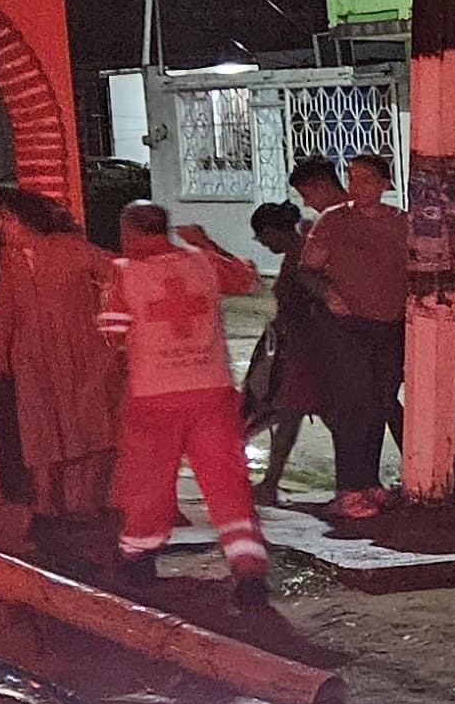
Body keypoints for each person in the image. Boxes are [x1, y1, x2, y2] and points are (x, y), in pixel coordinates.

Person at [100, 202, 272, 606]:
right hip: (212, 392)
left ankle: (139, 560)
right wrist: (207, 243)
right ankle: (249, 570)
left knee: (151, 482)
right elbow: (247, 280)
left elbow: (112, 332)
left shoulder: (123, 271)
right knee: (228, 484)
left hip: (154, 397)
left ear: (128, 232)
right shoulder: (203, 262)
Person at [0, 188, 122, 564]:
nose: (1, 227)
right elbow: (4, 313)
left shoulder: (71, 248)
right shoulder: (15, 262)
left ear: (23, 220)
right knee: (40, 427)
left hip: (80, 353)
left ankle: (87, 502)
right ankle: (46, 503)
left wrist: (113, 323)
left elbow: (115, 271)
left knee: (93, 424)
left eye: (6, 219)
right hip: (33, 359)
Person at [301, 152, 413, 517]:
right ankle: (348, 488)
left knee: (380, 402)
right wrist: (329, 295)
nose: (356, 186)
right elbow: (308, 270)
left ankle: (369, 482)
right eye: (351, 178)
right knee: (354, 405)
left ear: (384, 184)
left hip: (389, 324)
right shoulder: (333, 221)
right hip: (347, 326)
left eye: (365, 179)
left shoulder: (401, 223)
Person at [243, 201, 326, 508]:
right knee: (293, 410)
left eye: (263, 236)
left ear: (273, 231)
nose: (263, 243)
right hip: (297, 344)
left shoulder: (301, 255)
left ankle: (269, 482)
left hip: (301, 346)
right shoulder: (300, 251)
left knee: (285, 410)